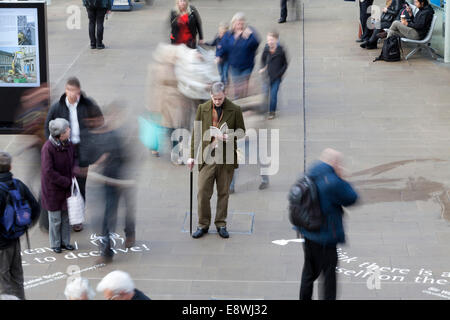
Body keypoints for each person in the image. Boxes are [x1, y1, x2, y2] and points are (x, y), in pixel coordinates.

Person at [187, 82, 246, 239]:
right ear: (211, 96)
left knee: (223, 193)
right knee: (202, 192)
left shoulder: (235, 109)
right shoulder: (203, 109)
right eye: (215, 98)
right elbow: (197, 133)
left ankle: (221, 224)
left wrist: (228, 136)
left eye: (220, 98)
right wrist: (192, 155)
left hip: (226, 158)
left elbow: (241, 132)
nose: (217, 101)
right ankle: (203, 224)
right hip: (208, 157)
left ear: (225, 94)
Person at [298, 148, 358, 300]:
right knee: (329, 278)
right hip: (326, 237)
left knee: (308, 274)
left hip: (308, 233)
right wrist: (342, 177)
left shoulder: (312, 171)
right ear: (335, 162)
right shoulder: (332, 181)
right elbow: (352, 197)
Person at [45, 77, 103, 232]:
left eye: (74, 91)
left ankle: (78, 218)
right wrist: (53, 147)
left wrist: (94, 145)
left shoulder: (87, 104)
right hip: (65, 150)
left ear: (78, 91)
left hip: (82, 150)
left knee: (80, 185)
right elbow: (48, 127)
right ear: (66, 90)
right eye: (69, 91)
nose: (72, 94)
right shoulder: (57, 107)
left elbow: (100, 122)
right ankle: (65, 215)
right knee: (65, 182)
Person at [82, 104, 136, 264]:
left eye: (94, 121)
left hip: (118, 181)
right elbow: (85, 156)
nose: (91, 124)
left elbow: (125, 157)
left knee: (123, 211)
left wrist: (107, 161)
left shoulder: (114, 136)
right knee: (103, 219)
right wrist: (94, 164)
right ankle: (106, 252)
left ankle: (130, 233)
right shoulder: (89, 136)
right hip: (101, 183)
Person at [0, 151, 40, 300]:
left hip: (1, 244)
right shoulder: (18, 185)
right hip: (14, 239)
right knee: (17, 277)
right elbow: (35, 208)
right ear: (10, 167)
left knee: (3, 281)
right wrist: (23, 228)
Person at [41, 119, 77, 254]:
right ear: (60, 134)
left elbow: (75, 158)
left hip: (66, 187)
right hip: (53, 191)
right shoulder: (48, 148)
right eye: (67, 129)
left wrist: (73, 172)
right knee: (55, 219)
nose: (69, 131)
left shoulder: (69, 144)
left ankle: (65, 242)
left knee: (66, 217)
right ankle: (55, 243)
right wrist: (66, 181)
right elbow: (48, 171)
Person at [216, 12, 260, 99]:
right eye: (237, 22)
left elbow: (256, 43)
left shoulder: (249, 32)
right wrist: (218, 55)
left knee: (244, 85)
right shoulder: (228, 35)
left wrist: (249, 35)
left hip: (247, 66)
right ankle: (238, 102)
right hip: (234, 66)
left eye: (241, 22)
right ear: (233, 23)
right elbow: (222, 46)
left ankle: (244, 99)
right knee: (237, 87)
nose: (239, 23)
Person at [259, 31, 288, 120]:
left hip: (276, 77)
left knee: (273, 94)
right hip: (267, 76)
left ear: (276, 40)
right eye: (268, 40)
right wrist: (264, 67)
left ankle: (272, 112)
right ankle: (264, 108)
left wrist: (280, 74)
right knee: (265, 93)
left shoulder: (281, 50)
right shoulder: (266, 49)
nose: (270, 42)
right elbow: (263, 59)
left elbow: (285, 64)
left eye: (271, 40)